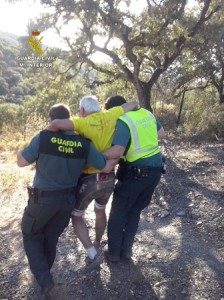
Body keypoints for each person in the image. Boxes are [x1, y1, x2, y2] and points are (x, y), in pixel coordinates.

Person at [17, 103, 115, 299]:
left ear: (51, 119)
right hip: (67, 201)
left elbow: (21, 162)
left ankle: (45, 280)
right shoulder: (83, 143)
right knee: (51, 237)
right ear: (69, 119)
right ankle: (45, 275)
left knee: (31, 234)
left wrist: (21, 149)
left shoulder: (43, 138)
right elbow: (103, 166)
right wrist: (119, 157)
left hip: (42, 200)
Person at [47, 96, 137, 265]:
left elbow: (57, 124)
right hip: (109, 176)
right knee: (100, 211)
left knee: (77, 216)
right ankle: (97, 242)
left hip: (89, 178)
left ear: (82, 110)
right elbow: (132, 104)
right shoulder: (111, 114)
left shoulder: (82, 122)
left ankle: (91, 252)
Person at [103, 95, 166, 262]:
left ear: (117, 110)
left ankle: (114, 253)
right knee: (135, 211)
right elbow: (161, 133)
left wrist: (96, 155)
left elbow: (117, 151)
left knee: (118, 212)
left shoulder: (123, 120)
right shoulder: (146, 113)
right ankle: (126, 251)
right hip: (156, 171)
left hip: (135, 173)